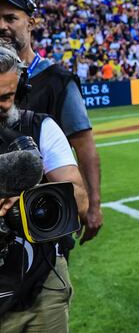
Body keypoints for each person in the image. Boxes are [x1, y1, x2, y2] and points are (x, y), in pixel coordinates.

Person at [0, 0, 103, 244]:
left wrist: (93, 206)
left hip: (45, 220)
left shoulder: (58, 81)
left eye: (10, 18)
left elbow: (84, 146)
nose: (1, 26)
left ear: (31, 23)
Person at [0, 46, 88, 331]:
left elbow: (79, 201)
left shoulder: (40, 128)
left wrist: (25, 194)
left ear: (21, 90)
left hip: (42, 288)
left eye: (5, 98)